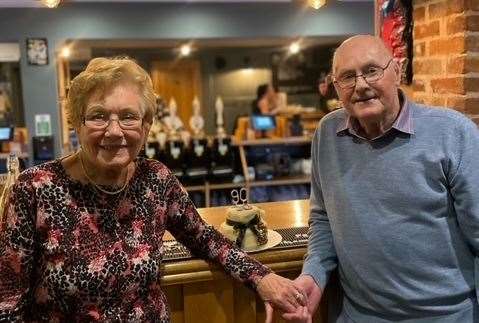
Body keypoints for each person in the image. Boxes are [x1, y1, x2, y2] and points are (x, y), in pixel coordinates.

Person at [0, 57, 307, 321]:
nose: (115, 131)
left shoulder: (155, 179)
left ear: (146, 126)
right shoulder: (35, 189)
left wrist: (262, 277)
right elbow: (8, 302)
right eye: (98, 116)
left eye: (129, 117)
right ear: (76, 123)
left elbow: (205, 239)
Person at [282, 35, 479, 322]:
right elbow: (323, 219)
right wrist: (314, 272)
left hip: (446, 315)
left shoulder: (453, 133)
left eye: (372, 70)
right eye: (347, 77)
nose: (361, 85)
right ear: (336, 88)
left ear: (396, 71)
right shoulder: (327, 135)